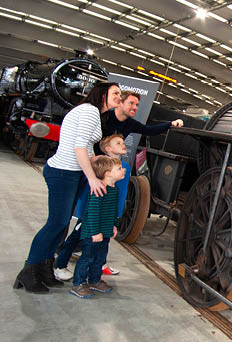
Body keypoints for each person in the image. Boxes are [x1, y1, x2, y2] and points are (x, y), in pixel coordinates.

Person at [54, 91, 183, 279]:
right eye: (131, 103)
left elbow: (149, 129)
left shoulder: (128, 130)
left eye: (137, 105)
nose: (134, 108)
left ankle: (94, 263)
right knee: (80, 220)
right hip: (93, 167)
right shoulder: (103, 118)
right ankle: (60, 257)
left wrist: (170, 124)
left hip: (108, 170)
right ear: (120, 104)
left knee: (101, 230)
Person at [13, 82, 122, 294]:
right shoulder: (90, 111)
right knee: (56, 223)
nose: (119, 96)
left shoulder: (94, 113)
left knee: (61, 225)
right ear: (102, 95)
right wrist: (92, 177)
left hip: (71, 173)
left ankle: (44, 269)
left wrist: (97, 159)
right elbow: (78, 146)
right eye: (115, 93)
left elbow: (86, 147)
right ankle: (29, 271)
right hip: (63, 172)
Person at [69, 155, 126, 299]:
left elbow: (113, 211)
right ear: (108, 174)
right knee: (87, 258)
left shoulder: (114, 189)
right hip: (92, 233)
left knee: (100, 258)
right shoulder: (98, 189)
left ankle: (94, 280)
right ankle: (78, 284)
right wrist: (95, 232)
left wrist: (113, 225)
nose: (123, 170)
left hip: (105, 232)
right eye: (119, 169)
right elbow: (92, 213)